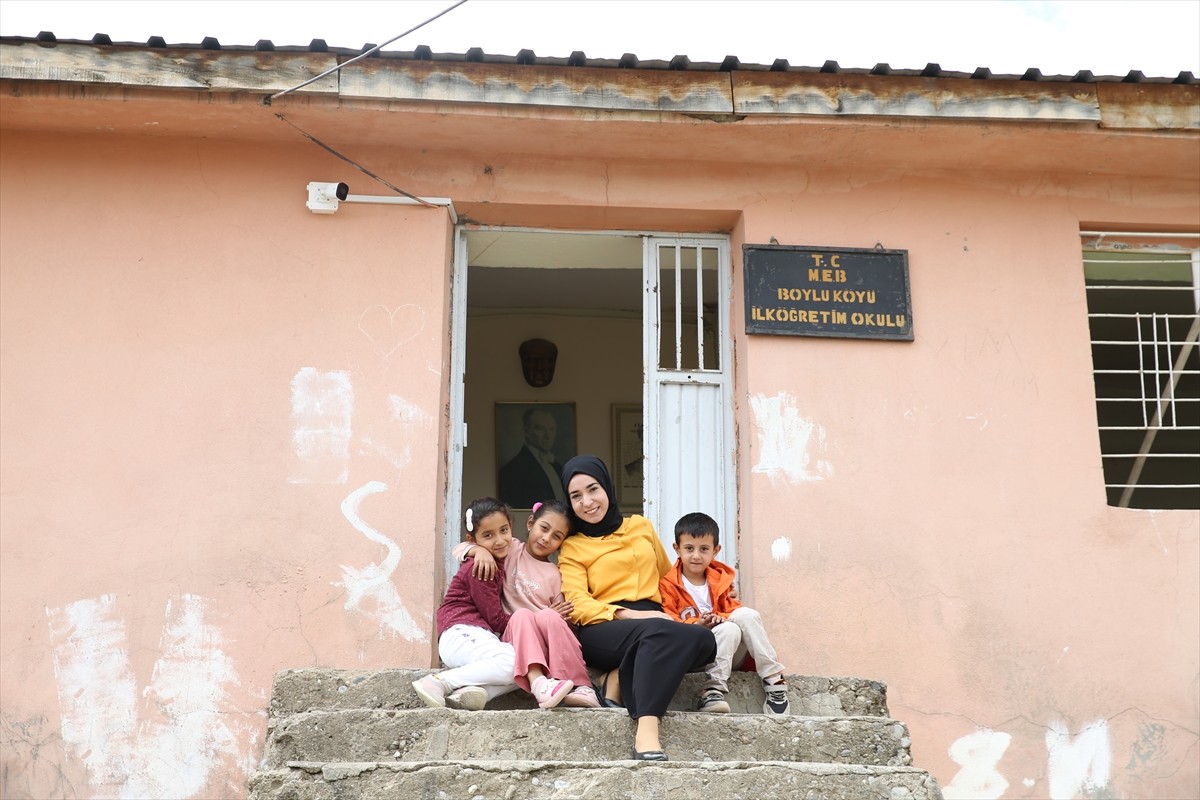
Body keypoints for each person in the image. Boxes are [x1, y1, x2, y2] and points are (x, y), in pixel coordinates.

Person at [557, 455, 717, 762]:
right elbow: (577, 602)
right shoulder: (573, 546)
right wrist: (633, 615)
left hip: (658, 622)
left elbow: (670, 577)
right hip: (602, 627)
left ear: (607, 487)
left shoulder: (640, 526)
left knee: (704, 641)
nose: (587, 502)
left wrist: (708, 593)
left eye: (593, 489)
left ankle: (617, 676)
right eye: (576, 496)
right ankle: (646, 729)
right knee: (661, 631)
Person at [451, 500, 601, 709]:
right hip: (515, 637)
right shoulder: (510, 548)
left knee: (550, 616)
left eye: (556, 536)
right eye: (544, 528)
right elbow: (459, 549)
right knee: (522, 615)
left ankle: (581, 685)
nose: (546, 538)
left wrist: (553, 615)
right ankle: (539, 682)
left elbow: (564, 620)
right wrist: (479, 551)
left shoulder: (556, 575)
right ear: (531, 523)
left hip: (544, 639)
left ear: (563, 542)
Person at [658, 512, 790, 715]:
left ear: (715, 551)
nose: (696, 555)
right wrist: (698, 625)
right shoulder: (668, 584)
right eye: (689, 548)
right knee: (729, 626)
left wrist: (721, 618)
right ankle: (712, 691)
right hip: (694, 653)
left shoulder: (721, 578)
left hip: (728, 650)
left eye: (704, 549)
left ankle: (773, 679)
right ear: (677, 549)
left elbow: (732, 611)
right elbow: (669, 622)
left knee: (745, 616)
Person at [411, 497, 519, 711]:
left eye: (504, 530)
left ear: (511, 527)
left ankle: (471, 692)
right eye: (488, 536)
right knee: (514, 661)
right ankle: (440, 681)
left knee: (529, 667)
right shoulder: (481, 567)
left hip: (476, 639)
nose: (499, 540)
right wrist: (534, 619)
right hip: (460, 632)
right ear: (473, 539)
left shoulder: (494, 558)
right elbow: (496, 620)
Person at [498, 407, 564, 508]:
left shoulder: (558, 467)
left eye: (551, 429)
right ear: (527, 431)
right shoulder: (512, 470)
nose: (548, 435)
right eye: (541, 429)